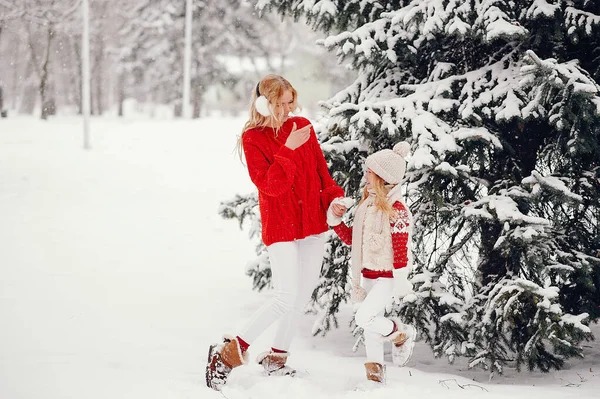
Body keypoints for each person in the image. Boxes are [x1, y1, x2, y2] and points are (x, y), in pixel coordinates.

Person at [205, 74, 346, 391]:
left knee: (301, 297)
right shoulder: (253, 138)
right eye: (279, 103)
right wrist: (289, 150)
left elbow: (324, 178)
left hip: (313, 224)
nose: (285, 110)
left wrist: (335, 200)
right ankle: (228, 354)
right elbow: (271, 185)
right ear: (263, 103)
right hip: (281, 225)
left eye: (289, 102)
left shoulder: (303, 128)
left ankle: (276, 358)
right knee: (284, 297)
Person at [326, 141, 417, 385]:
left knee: (364, 318)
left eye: (370, 171)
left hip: (387, 278)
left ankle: (401, 333)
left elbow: (400, 251)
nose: (365, 174)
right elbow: (353, 242)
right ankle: (375, 382)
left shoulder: (397, 210)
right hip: (367, 275)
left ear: (382, 177)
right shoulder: (365, 206)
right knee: (370, 330)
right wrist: (335, 221)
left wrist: (400, 281)